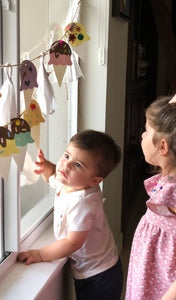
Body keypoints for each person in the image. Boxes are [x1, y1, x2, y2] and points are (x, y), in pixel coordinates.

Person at [18, 129, 123, 300]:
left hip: (100, 274)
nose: (66, 165)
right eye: (67, 156)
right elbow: (53, 174)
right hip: (92, 269)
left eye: (78, 165)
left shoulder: (82, 202)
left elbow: (72, 242)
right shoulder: (73, 182)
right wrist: (45, 166)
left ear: (94, 181)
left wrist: (40, 254)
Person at [125, 95, 176, 300]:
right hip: (149, 271)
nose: (143, 136)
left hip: (164, 284)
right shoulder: (168, 179)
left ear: (162, 146)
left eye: (146, 130)